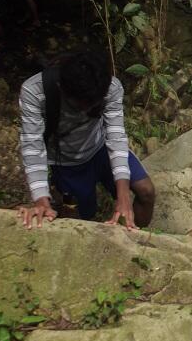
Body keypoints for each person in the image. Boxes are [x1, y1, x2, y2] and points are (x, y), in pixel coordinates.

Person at [17, 51, 155, 230]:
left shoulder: (110, 88)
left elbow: (116, 136)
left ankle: (137, 239)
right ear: (63, 88)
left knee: (146, 191)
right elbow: (32, 146)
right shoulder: (34, 92)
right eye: (78, 105)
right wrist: (41, 200)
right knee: (82, 216)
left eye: (92, 105)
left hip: (100, 148)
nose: (84, 112)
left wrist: (124, 197)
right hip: (67, 161)